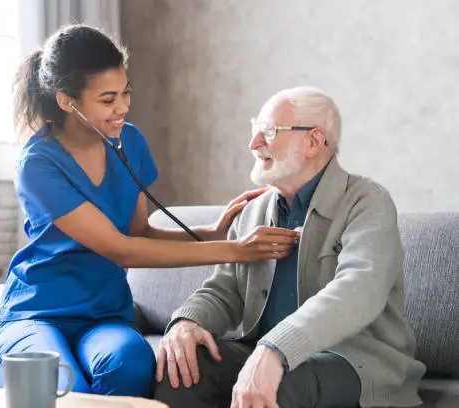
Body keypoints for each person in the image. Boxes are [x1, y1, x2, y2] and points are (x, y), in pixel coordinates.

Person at [0, 24, 299, 398]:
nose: (122, 107)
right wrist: (235, 250)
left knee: (130, 365)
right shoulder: (37, 164)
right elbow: (119, 249)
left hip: (104, 316)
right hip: (38, 311)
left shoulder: (129, 141)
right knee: (59, 386)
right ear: (67, 102)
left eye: (125, 93)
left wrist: (213, 232)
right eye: (107, 100)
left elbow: (138, 231)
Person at [154, 86, 426, 408]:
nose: (253, 144)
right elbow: (224, 291)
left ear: (314, 141)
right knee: (182, 369)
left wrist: (277, 348)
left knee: (285, 385)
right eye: (255, 131)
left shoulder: (367, 201)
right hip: (266, 352)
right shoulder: (253, 210)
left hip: (354, 359)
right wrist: (187, 322)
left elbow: (358, 291)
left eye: (268, 132)